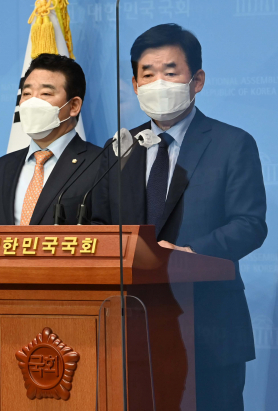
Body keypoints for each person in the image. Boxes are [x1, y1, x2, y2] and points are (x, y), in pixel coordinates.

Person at [91, 24, 266, 410]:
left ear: (197, 80)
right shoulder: (120, 148)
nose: (158, 83)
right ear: (135, 85)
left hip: (208, 324)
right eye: (147, 74)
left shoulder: (232, 143)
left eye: (170, 72)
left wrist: (190, 254)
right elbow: (99, 225)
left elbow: (249, 225)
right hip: (130, 325)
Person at [0, 53, 101, 226]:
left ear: (74, 106)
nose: (32, 102)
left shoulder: (102, 164)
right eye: (26, 93)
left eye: (45, 93)